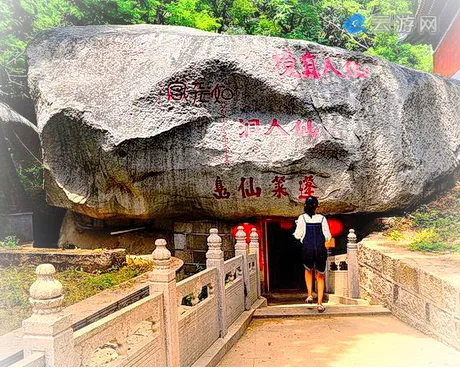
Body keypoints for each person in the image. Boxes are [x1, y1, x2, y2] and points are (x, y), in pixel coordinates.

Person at [293, 196, 331, 312]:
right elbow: (328, 235)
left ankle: (309, 294)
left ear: (305, 205)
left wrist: (297, 235)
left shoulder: (302, 218)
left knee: (308, 270)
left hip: (308, 248)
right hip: (320, 249)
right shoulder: (322, 218)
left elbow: (298, 234)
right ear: (316, 206)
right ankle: (319, 303)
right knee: (320, 275)